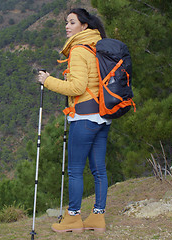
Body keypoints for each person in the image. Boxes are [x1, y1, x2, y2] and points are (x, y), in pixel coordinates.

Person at [37, 8, 110, 233]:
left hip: (84, 117)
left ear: (84, 26)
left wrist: (48, 80)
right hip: (102, 117)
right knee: (99, 170)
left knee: (75, 170)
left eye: (72, 22)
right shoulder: (98, 46)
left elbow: (77, 87)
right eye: (66, 23)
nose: (67, 27)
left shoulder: (79, 50)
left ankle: (73, 218)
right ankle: (97, 218)